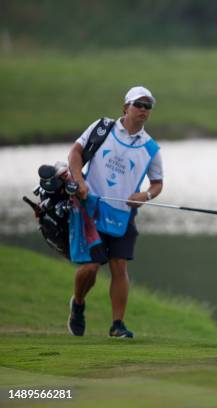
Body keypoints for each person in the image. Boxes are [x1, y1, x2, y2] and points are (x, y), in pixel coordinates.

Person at [66, 86, 163, 338]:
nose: (143, 110)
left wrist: (145, 196)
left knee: (119, 266)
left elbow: (157, 183)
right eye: (139, 105)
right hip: (91, 207)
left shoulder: (150, 148)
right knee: (90, 267)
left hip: (124, 213)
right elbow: (75, 152)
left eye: (148, 106)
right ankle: (78, 303)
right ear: (125, 107)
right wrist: (80, 181)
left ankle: (117, 325)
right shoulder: (102, 128)